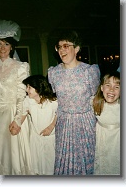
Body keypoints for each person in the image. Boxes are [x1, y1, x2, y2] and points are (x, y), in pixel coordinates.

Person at [48, 30, 100, 175]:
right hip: (64, 123)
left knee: (85, 161)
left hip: (85, 123)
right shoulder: (54, 73)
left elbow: (95, 97)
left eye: (66, 46)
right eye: (59, 47)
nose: (61, 50)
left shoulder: (89, 71)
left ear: (76, 48)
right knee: (64, 162)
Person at [0, 19, 31, 175]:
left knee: (12, 159)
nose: (2, 48)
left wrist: (17, 120)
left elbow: (22, 96)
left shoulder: (21, 67)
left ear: (12, 46)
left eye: (6, 44)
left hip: (12, 115)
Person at [10, 75, 58, 175]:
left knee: (50, 163)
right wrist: (16, 125)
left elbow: (59, 115)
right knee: (38, 164)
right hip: (36, 138)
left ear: (39, 87)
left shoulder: (53, 101)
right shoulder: (28, 101)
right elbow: (22, 115)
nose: (27, 90)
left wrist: (51, 127)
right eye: (27, 87)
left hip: (50, 138)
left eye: (29, 87)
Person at [92, 71, 120, 175]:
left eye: (116, 87)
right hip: (102, 143)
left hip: (117, 144)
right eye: (108, 85)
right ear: (102, 88)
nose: (112, 89)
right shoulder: (96, 103)